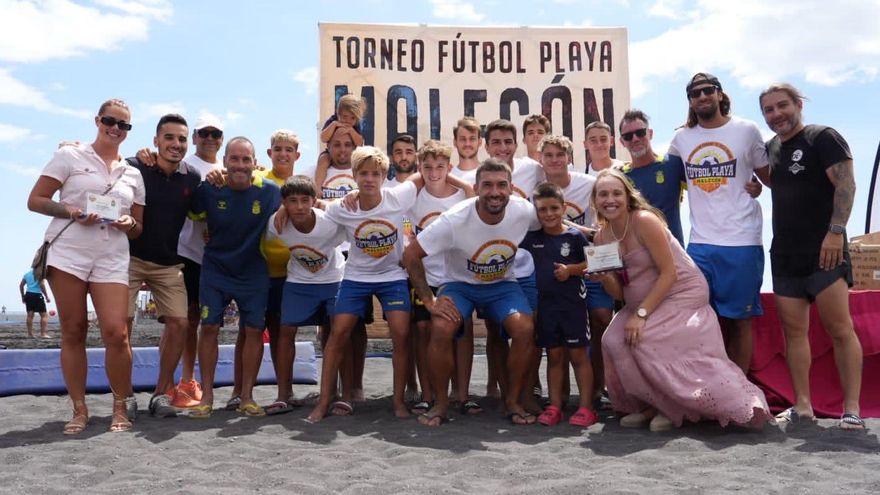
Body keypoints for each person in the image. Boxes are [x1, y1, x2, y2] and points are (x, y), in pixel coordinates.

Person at [588, 168, 772, 431]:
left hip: (680, 292)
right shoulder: (601, 237)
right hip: (641, 301)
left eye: (616, 193)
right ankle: (650, 404)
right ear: (595, 201)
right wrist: (604, 277)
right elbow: (618, 293)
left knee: (645, 337)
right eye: (603, 194)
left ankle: (673, 406)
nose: (610, 200)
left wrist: (640, 316)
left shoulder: (644, 221)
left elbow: (669, 274)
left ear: (628, 197)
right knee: (612, 339)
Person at [27, 98, 145, 434]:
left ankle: (120, 406)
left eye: (124, 125)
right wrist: (72, 212)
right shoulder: (70, 155)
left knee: (117, 333)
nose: (116, 129)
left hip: (112, 255)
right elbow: (35, 200)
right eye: (110, 121)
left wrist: (128, 222)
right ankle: (79, 409)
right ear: (97, 120)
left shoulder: (133, 173)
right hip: (68, 253)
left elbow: (139, 227)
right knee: (73, 330)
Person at [404, 159, 541, 426]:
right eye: (487, 185)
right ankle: (441, 403)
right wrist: (429, 300)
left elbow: (553, 224)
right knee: (441, 327)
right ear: (476, 188)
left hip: (502, 285)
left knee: (525, 329)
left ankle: (512, 400)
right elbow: (411, 255)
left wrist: (593, 237)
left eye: (501, 185)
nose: (494, 192)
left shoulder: (524, 211)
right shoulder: (454, 220)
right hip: (460, 285)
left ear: (511, 188)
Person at [759, 83, 865, 429]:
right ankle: (802, 405)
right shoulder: (772, 148)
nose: (776, 114)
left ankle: (852, 409)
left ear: (799, 105)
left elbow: (846, 185)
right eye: (769, 110)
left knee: (840, 328)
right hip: (785, 254)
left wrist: (835, 232)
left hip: (825, 251)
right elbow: (780, 184)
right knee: (794, 333)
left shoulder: (823, 137)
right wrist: (754, 186)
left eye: (782, 106)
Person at [666, 73, 771, 374]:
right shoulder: (681, 139)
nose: (702, 96)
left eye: (708, 90)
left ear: (720, 94)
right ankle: (707, 385)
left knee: (740, 323)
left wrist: (758, 187)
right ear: (690, 101)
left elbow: (770, 178)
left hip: (742, 241)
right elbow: (664, 180)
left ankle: (739, 388)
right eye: (695, 93)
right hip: (700, 244)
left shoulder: (747, 130)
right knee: (697, 321)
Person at [186, 137, 281, 418]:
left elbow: (300, 206)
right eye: (234, 159)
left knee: (253, 331)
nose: (240, 165)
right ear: (225, 161)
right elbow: (191, 214)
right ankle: (207, 397)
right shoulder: (209, 188)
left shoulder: (269, 192)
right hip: (216, 270)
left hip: (253, 272)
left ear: (255, 163)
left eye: (246, 159)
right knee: (209, 328)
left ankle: (247, 397)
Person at [136, 114, 226, 408]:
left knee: (196, 319)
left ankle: (184, 381)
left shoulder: (222, 168)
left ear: (222, 139)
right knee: (181, 320)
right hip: (182, 251)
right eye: (204, 133)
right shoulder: (180, 164)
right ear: (195, 137)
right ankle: (180, 381)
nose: (210, 138)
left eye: (216, 134)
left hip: (210, 254)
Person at [124, 113, 201, 418]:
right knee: (122, 326)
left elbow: (210, 200)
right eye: (169, 137)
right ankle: (124, 396)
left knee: (180, 324)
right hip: (129, 258)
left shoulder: (192, 177)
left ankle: (161, 393)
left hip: (168, 263)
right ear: (155, 141)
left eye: (182, 139)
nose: (176, 144)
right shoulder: (134, 167)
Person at [264, 175, 346, 415]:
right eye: (292, 201)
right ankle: (284, 395)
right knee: (285, 331)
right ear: (284, 203)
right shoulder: (276, 224)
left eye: (304, 200)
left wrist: (327, 205)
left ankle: (336, 393)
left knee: (337, 331)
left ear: (313, 200)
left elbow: (351, 221)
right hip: (299, 281)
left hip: (333, 279)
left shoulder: (330, 223)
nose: (299, 206)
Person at [521, 182, 597, 427]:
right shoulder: (533, 238)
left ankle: (586, 407)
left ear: (564, 208)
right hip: (546, 308)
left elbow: (592, 262)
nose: (549, 214)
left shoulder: (574, 236)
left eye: (554, 208)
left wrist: (570, 270)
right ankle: (554, 406)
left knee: (578, 356)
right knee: (554, 356)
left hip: (573, 306)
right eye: (543, 209)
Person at [407, 140, 471, 414]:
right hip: (425, 276)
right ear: (420, 167)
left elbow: (473, 197)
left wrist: (461, 183)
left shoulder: (461, 195)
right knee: (423, 330)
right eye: (428, 167)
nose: (434, 173)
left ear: (449, 168)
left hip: (455, 276)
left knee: (461, 330)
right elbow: (406, 230)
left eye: (440, 167)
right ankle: (428, 393)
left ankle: (462, 394)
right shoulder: (413, 197)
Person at [483, 119, 543, 409]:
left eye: (508, 141)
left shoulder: (532, 169)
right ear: (486, 146)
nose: (502, 147)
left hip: (524, 264)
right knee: (495, 332)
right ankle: (505, 390)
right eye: (496, 142)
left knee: (530, 329)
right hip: (490, 267)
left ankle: (529, 387)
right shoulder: (479, 175)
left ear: (516, 144)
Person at [618, 110, 686, 246]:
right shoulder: (619, 177)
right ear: (622, 142)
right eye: (628, 136)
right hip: (636, 255)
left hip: (673, 252)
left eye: (640, 132)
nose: (635, 139)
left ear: (650, 133)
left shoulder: (673, 164)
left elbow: (705, 187)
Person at [314, 95, 366, 191]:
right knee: (323, 160)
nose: (348, 121)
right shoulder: (332, 121)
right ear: (338, 114)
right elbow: (323, 138)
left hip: (351, 157)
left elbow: (360, 143)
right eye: (345, 117)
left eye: (352, 118)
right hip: (330, 154)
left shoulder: (355, 126)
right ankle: (317, 187)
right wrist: (334, 125)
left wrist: (351, 130)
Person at [450, 117, 483, 184]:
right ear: (455, 142)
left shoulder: (490, 173)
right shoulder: (448, 176)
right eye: (462, 139)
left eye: (472, 139)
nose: (467, 144)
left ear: (480, 142)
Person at [19, 269, 51, 338]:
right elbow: (42, 285)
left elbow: (21, 285)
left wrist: (23, 296)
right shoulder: (40, 274)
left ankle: (30, 334)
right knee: (44, 315)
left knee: (30, 315)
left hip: (29, 294)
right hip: (37, 295)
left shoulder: (27, 274)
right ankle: (43, 334)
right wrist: (46, 296)